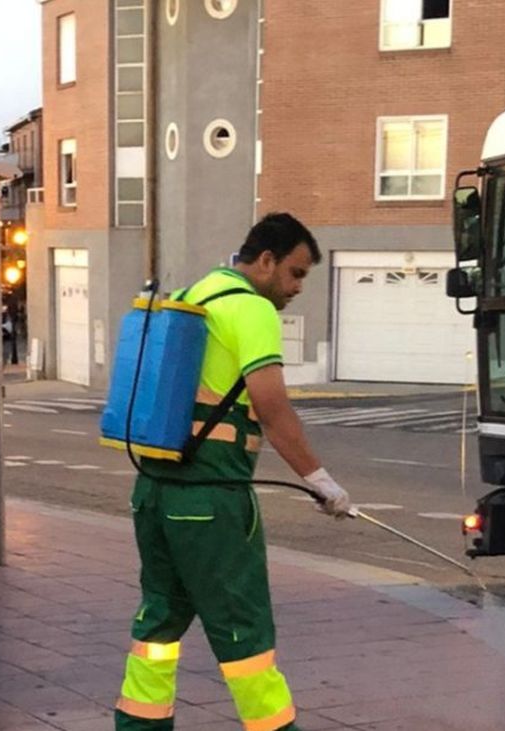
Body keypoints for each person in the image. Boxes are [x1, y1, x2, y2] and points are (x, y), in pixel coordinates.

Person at [115, 213, 352, 731]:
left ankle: (138, 726)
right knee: (245, 636)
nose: (295, 288)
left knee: (158, 625)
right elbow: (272, 408)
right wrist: (320, 480)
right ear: (265, 261)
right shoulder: (251, 309)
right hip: (211, 499)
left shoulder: (196, 293)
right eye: (295, 273)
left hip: (153, 494)